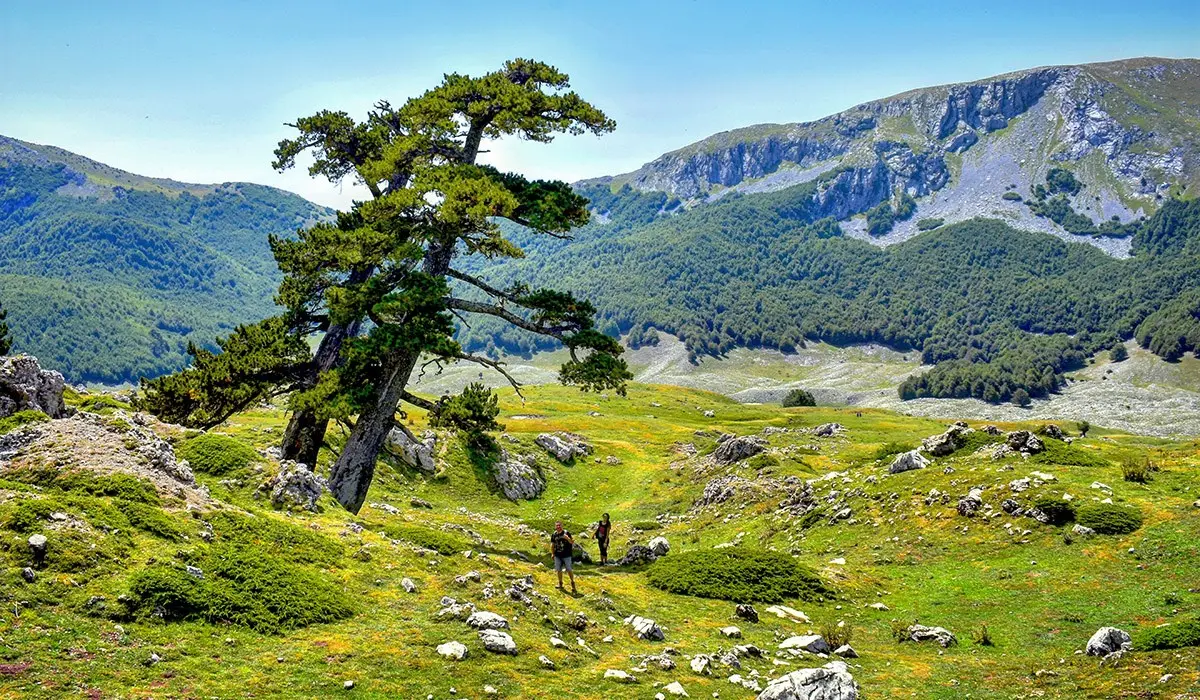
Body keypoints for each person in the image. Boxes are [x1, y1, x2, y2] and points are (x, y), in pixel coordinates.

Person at [550, 521, 577, 594]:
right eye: (557, 526)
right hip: (557, 555)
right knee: (558, 570)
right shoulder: (554, 534)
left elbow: (572, 542)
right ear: (555, 527)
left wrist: (567, 538)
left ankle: (572, 583)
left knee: (569, 569)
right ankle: (560, 584)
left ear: (562, 526)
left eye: (559, 525)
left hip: (567, 555)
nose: (558, 527)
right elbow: (552, 545)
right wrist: (552, 553)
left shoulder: (566, 533)